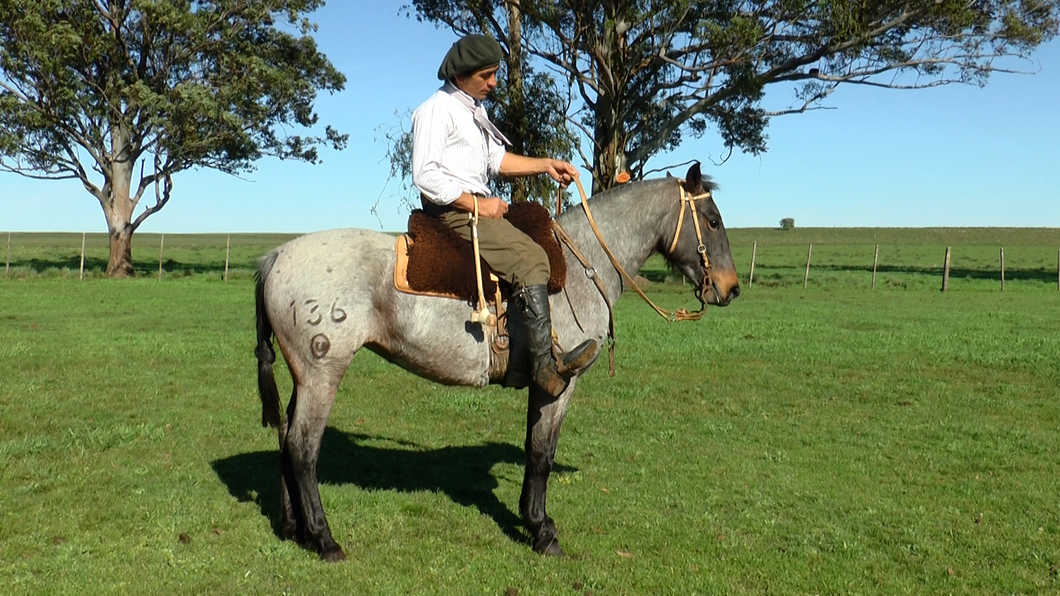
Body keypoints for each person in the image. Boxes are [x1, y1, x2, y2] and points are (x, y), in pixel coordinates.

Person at [411, 34, 596, 397]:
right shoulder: (436, 110)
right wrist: (480, 205)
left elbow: (496, 161)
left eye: (494, 74)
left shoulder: (473, 110)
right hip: (454, 214)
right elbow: (426, 175)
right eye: (487, 75)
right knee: (532, 260)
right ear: (462, 75)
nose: (494, 83)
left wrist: (545, 165)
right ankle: (542, 365)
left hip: (473, 209)